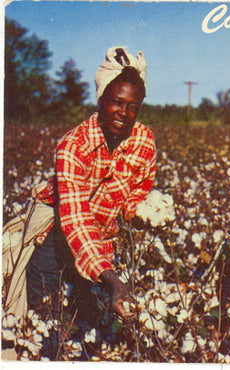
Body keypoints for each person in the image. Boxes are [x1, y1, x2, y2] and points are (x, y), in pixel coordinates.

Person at [3, 46, 156, 336]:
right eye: (116, 102)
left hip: (101, 239)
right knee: (46, 319)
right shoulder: (73, 145)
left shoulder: (144, 141)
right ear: (101, 100)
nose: (124, 112)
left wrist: (146, 214)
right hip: (55, 234)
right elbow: (76, 220)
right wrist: (112, 280)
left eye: (133, 105)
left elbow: (138, 190)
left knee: (93, 319)